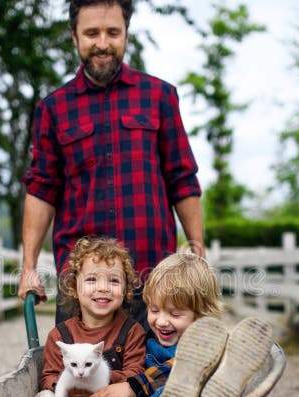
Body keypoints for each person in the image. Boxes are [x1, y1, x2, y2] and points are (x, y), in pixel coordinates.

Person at [18, 0, 205, 328]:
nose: (102, 43)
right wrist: (29, 267)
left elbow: (182, 178)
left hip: (153, 279)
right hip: (81, 285)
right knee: (78, 378)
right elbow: (42, 190)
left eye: (112, 32)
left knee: (153, 376)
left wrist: (197, 250)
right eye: (92, 33)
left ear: (126, 35)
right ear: (74, 37)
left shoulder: (160, 97)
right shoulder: (52, 109)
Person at [86, 253, 223, 397]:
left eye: (175, 314)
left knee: (172, 389)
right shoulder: (146, 338)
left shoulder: (202, 343)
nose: (161, 321)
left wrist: (134, 386)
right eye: (154, 310)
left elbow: (181, 367)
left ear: (201, 315)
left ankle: (221, 385)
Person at [33, 236, 146, 397]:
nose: (103, 288)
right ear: (74, 289)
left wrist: (102, 379)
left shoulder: (132, 331)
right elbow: (48, 378)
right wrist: (71, 384)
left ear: (125, 290)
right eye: (92, 279)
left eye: (114, 281)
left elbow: (135, 372)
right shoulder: (60, 335)